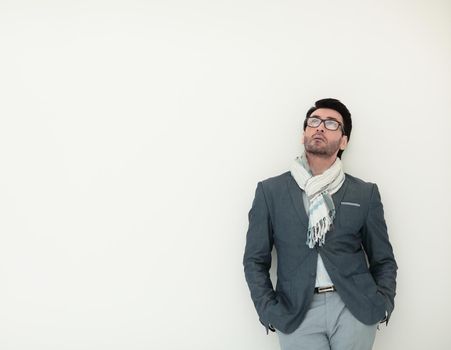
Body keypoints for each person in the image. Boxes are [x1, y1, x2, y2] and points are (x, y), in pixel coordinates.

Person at [243, 98, 397, 350]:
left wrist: (383, 303)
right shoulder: (270, 192)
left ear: (344, 141)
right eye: (313, 121)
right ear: (304, 133)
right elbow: (254, 260)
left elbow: (383, 259)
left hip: (355, 309)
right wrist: (268, 310)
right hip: (295, 313)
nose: (320, 127)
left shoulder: (364, 193)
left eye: (330, 123)